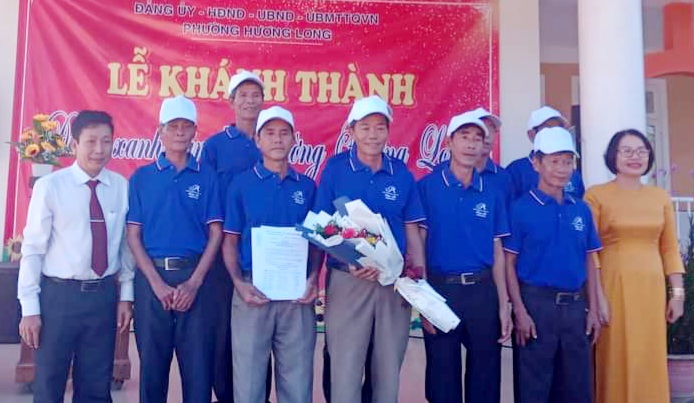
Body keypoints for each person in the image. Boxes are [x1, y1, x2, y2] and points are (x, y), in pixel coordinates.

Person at [314, 95, 427, 403]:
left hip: (394, 284)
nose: (373, 135)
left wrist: (419, 281)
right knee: (346, 369)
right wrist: (351, 261)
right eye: (365, 128)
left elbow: (412, 230)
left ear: (388, 131)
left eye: (380, 127)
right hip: (349, 280)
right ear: (351, 131)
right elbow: (321, 226)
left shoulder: (400, 173)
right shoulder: (336, 169)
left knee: (388, 370)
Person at [17, 110, 134, 402]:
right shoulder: (50, 187)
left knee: (96, 386)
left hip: (103, 297)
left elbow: (125, 246)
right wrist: (29, 308)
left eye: (106, 141)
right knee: (49, 383)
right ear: (74, 144)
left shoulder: (121, 186)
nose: (99, 149)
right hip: (59, 298)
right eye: (91, 141)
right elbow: (33, 248)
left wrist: (126, 296)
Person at [127, 95, 223, 403]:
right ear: (160, 131)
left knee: (198, 370)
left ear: (195, 131)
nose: (180, 132)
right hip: (151, 281)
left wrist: (194, 283)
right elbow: (133, 236)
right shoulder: (142, 177)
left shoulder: (207, 176)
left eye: (186, 126)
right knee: (152, 370)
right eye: (173, 126)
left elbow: (216, 233)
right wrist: (156, 283)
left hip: (195, 279)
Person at [222, 106, 321, 403]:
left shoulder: (307, 187)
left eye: (284, 133)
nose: (277, 139)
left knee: (297, 383)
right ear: (258, 140)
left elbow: (317, 242)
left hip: (297, 295)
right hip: (252, 291)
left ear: (294, 139)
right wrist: (239, 284)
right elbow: (230, 241)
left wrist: (313, 279)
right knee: (249, 383)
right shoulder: (241, 184)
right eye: (270, 133)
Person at [418, 111, 512, 403]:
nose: (471, 144)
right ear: (449, 142)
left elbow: (498, 251)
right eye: (464, 137)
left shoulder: (492, 192)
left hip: (483, 291)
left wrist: (504, 303)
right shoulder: (427, 187)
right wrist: (424, 302)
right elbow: (418, 245)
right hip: (441, 290)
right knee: (442, 378)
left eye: (478, 139)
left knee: (485, 378)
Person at [585, 129, 685, 403]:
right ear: (613, 156)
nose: (635, 157)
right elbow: (589, 251)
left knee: (648, 354)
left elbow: (669, 248)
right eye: (627, 151)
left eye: (641, 151)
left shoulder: (659, 197)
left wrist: (677, 294)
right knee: (615, 354)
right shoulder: (596, 196)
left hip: (651, 289)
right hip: (613, 287)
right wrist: (597, 298)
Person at [504, 127, 601, 403]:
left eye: (567, 161)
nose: (562, 169)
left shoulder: (580, 209)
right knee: (534, 389)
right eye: (554, 161)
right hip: (537, 306)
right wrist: (519, 311)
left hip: (575, 308)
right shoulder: (520, 209)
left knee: (577, 388)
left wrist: (593, 309)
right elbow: (509, 263)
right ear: (536, 163)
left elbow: (589, 259)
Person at [200, 70, 270, 403]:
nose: (249, 101)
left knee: (262, 326)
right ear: (231, 101)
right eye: (243, 95)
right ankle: (226, 395)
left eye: (255, 95)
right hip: (224, 252)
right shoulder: (215, 146)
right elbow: (208, 200)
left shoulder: (271, 139)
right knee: (223, 329)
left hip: (264, 254)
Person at [505, 106, 584, 199]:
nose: (554, 133)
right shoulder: (516, 170)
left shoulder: (573, 174)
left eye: (558, 128)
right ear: (531, 134)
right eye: (547, 128)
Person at [468, 107, 513, 206]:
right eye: (481, 129)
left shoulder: (504, 178)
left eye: (491, 128)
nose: (487, 135)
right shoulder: (444, 172)